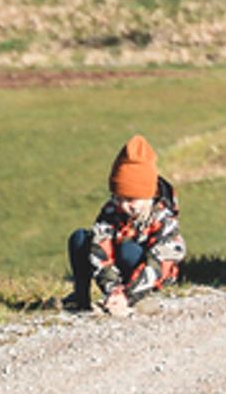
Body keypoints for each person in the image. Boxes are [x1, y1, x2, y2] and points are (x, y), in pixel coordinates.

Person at [69, 135, 183, 316]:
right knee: (80, 238)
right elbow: (100, 247)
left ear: (149, 194)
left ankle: (140, 299)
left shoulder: (163, 218)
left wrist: (127, 295)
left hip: (149, 275)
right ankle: (80, 299)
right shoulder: (112, 210)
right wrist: (113, 290)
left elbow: (159, 264)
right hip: (116, 275)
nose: (123, 205)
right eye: (118, 197)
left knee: (128, 251)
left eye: (131, 199)